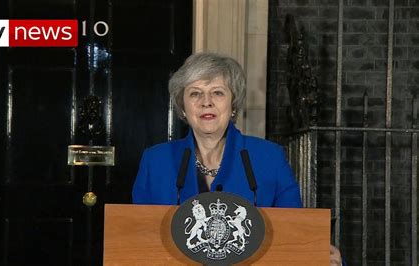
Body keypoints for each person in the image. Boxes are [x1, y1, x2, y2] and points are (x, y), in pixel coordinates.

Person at [132, 52, 343, 265]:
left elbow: (294, 235)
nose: (206, 102)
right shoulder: (155, 161)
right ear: (183, 107)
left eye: (218, 93)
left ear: (233, 105)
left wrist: (323, 258)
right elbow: (136, 240)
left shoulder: (269, 158)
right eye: (195, 94)